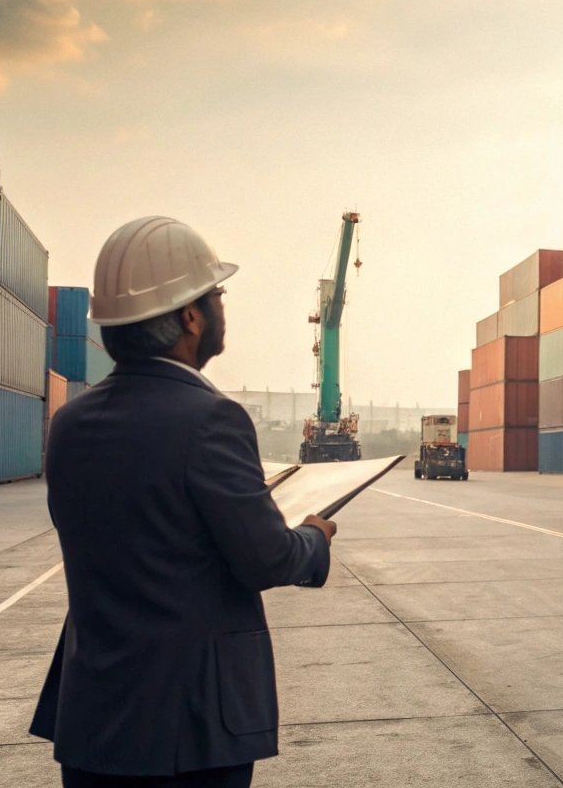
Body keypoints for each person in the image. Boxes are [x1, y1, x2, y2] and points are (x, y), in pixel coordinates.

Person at [31, 217, 337, 787]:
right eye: (217, 294)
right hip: (189, 731)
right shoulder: (211, 419)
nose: (222, 306)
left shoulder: (69, 424)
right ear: (190, 317)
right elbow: (267, 557)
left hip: (93, 722)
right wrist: (314, 536)